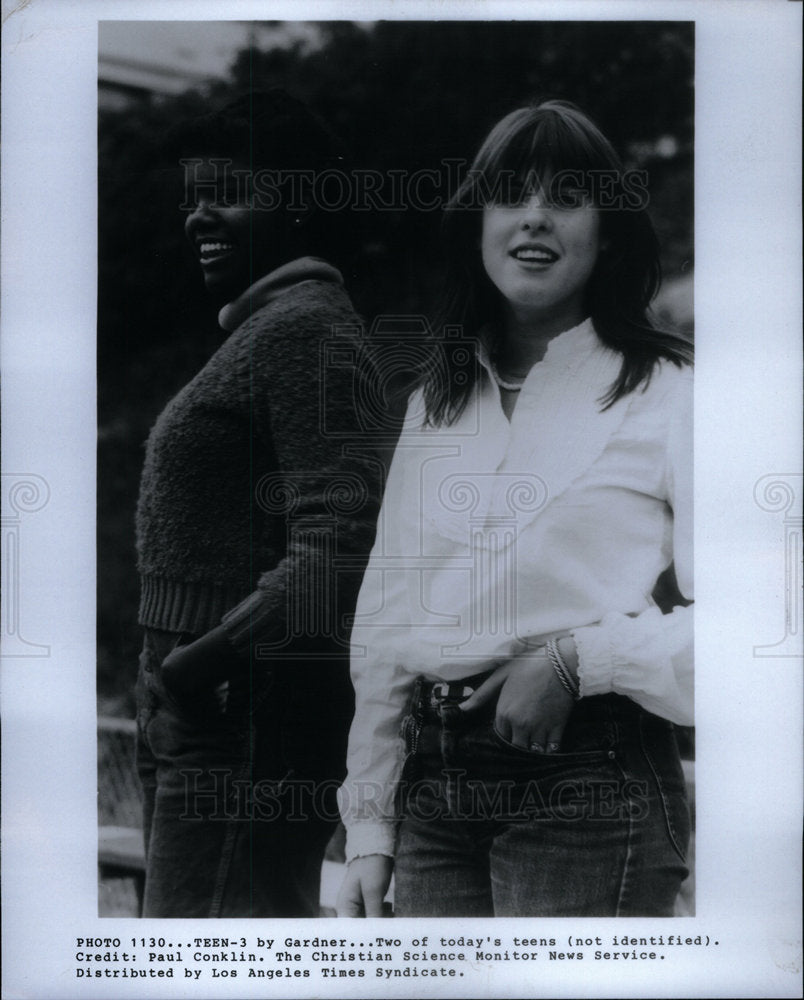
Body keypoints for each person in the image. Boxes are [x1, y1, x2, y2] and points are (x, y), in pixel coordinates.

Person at [336, 100, 693, 918]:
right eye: (511, 194)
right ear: (478, 222)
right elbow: (389, 622)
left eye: (567, 196)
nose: (534, 216)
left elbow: (764, 626)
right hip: (433, 799)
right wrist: (369, 826)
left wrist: (578, 662)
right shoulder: (441, 396)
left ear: (608, 230)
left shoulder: (674, 391)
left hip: (588, 788)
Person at [134, 89, 381, 917]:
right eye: (191, 197)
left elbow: (340, 544)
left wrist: (198, 663)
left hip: (244, 710)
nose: (198, 217)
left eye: (227, 192)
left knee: (205, 960)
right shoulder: (264, 328)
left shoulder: (307, 329)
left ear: (303, 203)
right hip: (209, 704)